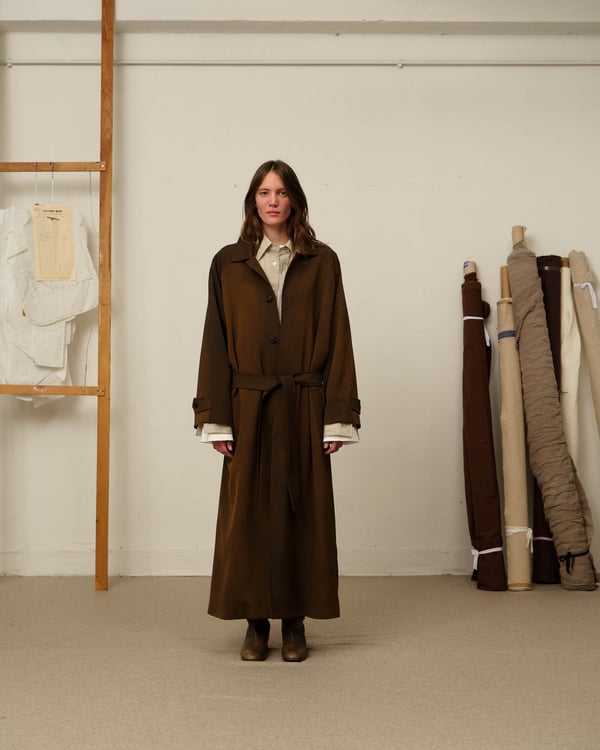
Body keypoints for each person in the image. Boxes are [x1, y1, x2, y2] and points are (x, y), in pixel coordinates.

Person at [193, 160, 360, 662]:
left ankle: (294, 623)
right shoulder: (228, 263)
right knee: (248, 516)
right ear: (253, 200)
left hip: (304, 405)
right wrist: (215, 417)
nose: (273, 201)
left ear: (295, 200)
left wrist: (337, 415)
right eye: (264, 192)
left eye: (281, 192)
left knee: (302, 513)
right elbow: (215, 340)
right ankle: (254, 623)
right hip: (248, 407)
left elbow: (339, 337)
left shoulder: (322, 261)